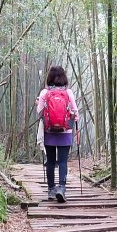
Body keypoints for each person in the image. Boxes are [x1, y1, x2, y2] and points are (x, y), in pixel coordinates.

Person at [35, 65, 79, 202]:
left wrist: (39, 103)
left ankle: (51, 190)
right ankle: (61, 188)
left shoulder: (44, 93)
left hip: (49, 132)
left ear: (49, 78)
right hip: (65, 132)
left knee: (50, 161)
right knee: (62, 161)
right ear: (63, 77)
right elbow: (75, 114)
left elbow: (39, 112)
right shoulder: (68, 93)